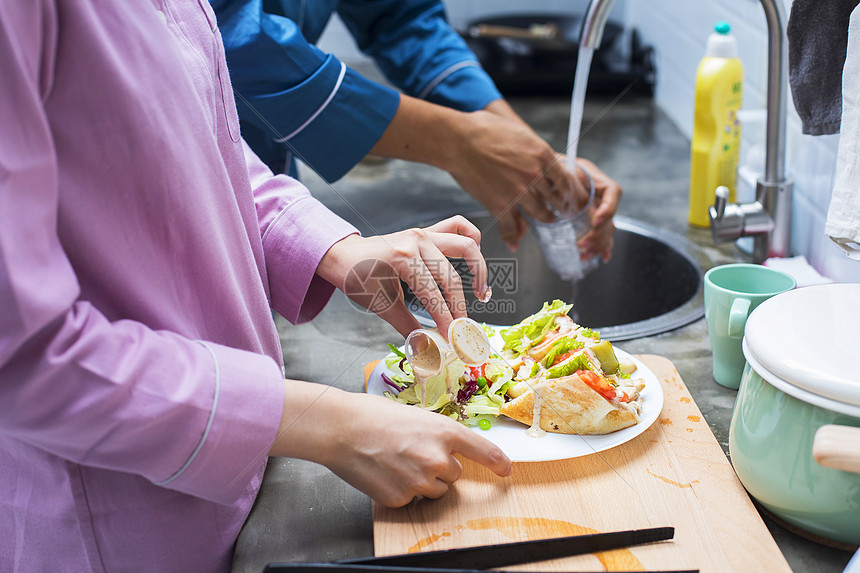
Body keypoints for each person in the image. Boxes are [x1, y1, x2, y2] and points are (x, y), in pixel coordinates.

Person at [0, 2, 511, 571]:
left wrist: (335, 250)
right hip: (114, 529)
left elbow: (201, 143)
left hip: (230, 490)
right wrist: (328, 424)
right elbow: (24, 357)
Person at [212, 0, 621, 258]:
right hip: (195, 177)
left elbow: (401, 19)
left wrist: (527, 153)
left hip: (269, 200)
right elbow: (231, 38)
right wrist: (460, 143)